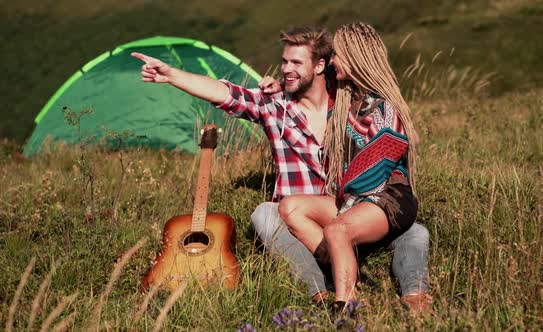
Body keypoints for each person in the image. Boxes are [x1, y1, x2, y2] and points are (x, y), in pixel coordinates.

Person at [132, 26, 430, 311]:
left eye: (296, 62)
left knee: (415, 231)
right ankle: (321, 292)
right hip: (302, 219)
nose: (285, 69)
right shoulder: (275, 105)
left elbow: (389, 123)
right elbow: (224, 93)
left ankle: (414, 297)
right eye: (283, 62)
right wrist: (171, 74)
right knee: (264, 215)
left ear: (319, 66)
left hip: (348, 206)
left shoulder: (344, 101)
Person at [279, 22, 431, 312]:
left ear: (357, 58)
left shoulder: (384, 109)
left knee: (337, 230)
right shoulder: (347, 100)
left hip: (388, 198)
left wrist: (345, 209)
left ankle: (347, 306)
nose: (333, 61)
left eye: (339, 55)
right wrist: (279, 85)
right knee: (290, 207)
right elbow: (309, 81)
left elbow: (377, 169)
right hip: (353, 199)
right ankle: (345, 268)